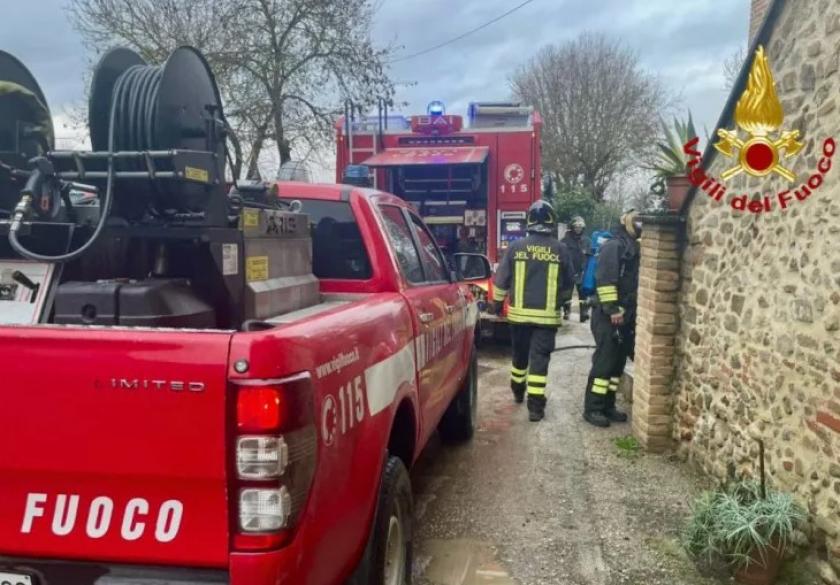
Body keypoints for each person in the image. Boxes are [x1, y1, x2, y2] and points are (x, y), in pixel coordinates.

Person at [489, 200, 574, 422]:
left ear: (529, 221)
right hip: (546, 320)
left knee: (519, 357)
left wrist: (496, 304)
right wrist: (560, 303)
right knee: (539, 360)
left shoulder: (515, 247)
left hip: (518, 319)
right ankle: (535, 408)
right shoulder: (561, 249)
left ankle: (518, 390)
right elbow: (568, 285)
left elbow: (501, 280)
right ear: (552, 222)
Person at [583, 210, 641, 428]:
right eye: (637, 222)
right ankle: (593, 408)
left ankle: (608, 405)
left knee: (617, 365)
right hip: (608, 316)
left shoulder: (633, 246)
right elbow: (605, 280)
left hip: (625, 316)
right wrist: (613, 309)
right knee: (604, 363)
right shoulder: (613, 246)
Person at [561, 216, 591, 323]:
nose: (578, 229)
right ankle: (566, 312)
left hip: (582, 271)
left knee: (583, 294)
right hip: (568, 271)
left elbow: (589, 256)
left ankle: (584, 313)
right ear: (572, 227)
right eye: (576, 227)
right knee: (566, 293)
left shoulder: (586, 241)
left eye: (580, 227)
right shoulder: (565, 241)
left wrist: (586, 270)